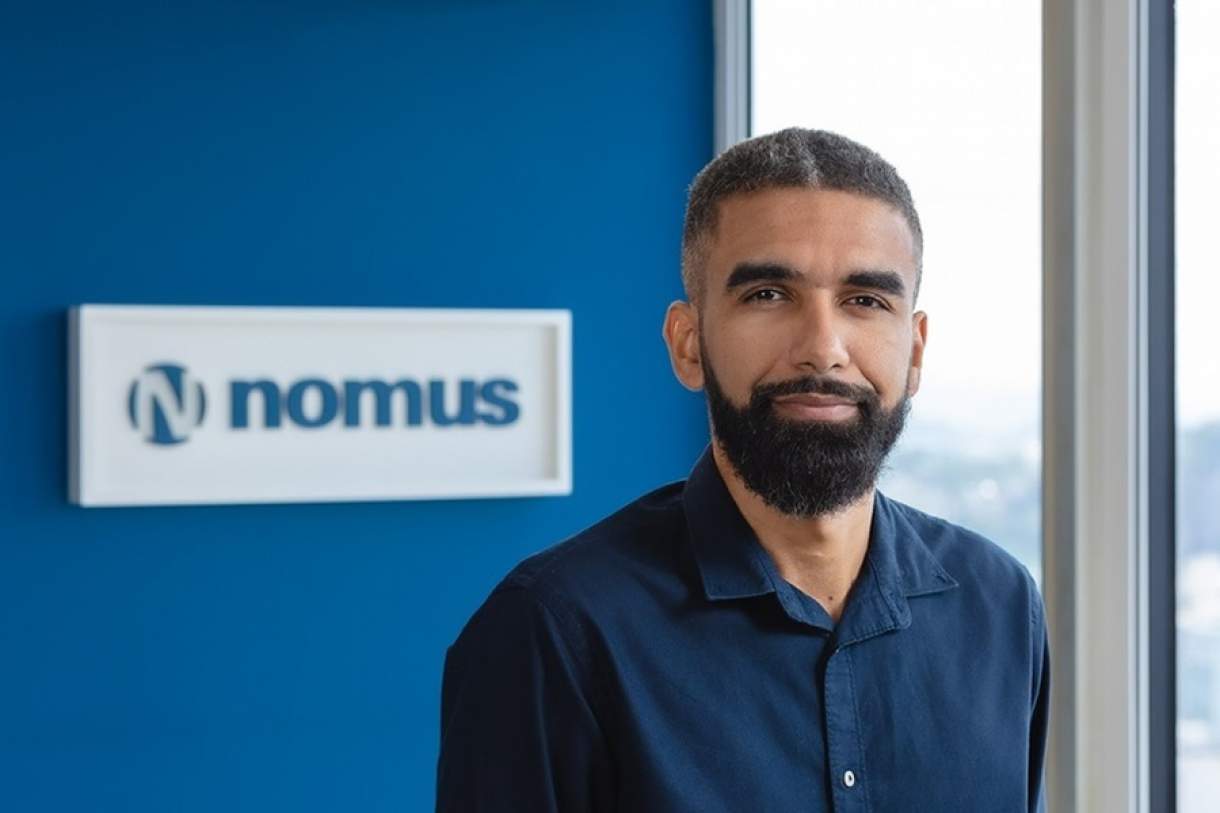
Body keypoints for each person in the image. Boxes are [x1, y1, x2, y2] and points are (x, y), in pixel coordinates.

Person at [435, 128, 1050, 812]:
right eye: (768, 294)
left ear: (915, 351)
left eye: (866, 300)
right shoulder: (554, 632)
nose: (823, 348)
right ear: (688, 344)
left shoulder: (1001, 607)